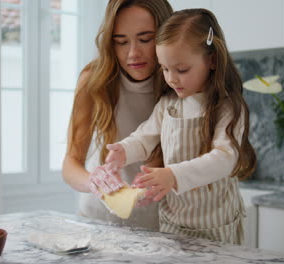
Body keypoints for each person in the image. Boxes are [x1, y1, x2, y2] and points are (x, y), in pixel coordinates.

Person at [104, 8, 257, 244]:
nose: (171, 78)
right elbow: (144, 137)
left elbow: (224, 158)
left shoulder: (227, 108)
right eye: (164, 69)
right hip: (173, 224)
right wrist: (124, 151)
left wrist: (174, 175)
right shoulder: (168, 105)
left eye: (181, 69)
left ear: (212, 60)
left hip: (216, 226)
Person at [62, 0, 173, 231]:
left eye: (145, 39)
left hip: (159, 224)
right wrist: (93, 181)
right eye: (120, 42)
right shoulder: (94, 79)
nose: (133, 53)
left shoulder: (179, 82)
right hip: (97, 219)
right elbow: (71, 163)